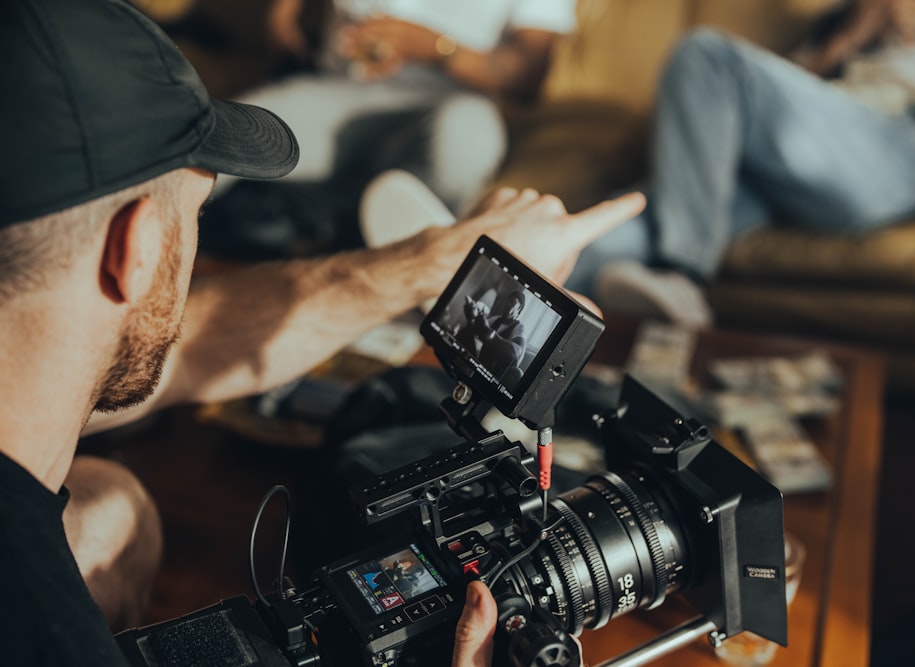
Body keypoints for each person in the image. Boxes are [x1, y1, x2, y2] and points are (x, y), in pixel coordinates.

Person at [0, 0, 645, 664]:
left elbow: (199, 340)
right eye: (192, 212)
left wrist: (437, 256)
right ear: (132, 248)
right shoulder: (44, 631)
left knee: (113, 507)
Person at [562, 0, 915, 329]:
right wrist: (851, 37)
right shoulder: (851, 19)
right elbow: (766, 93)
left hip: (909, 147)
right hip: (811, 154)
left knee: (704, 52)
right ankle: (526, 347)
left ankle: (684, 273)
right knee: (598, 233)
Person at [199, 0, 576, 259]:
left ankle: (403, 266)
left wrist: (434, 48)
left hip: (448, 102)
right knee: (227, 130)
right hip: (336, 90)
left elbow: (530, 73)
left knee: (467, 134)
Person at [456, 291, 527, 380]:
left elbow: (515, 355)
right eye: (508, 301)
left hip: (493, 376)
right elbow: (475, 332)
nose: (508, 304)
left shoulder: (520, 328)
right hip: (479, 364)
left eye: (512, 302)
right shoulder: (495, 319)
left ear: (519, 308)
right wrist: (471, 319)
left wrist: (487, 332)